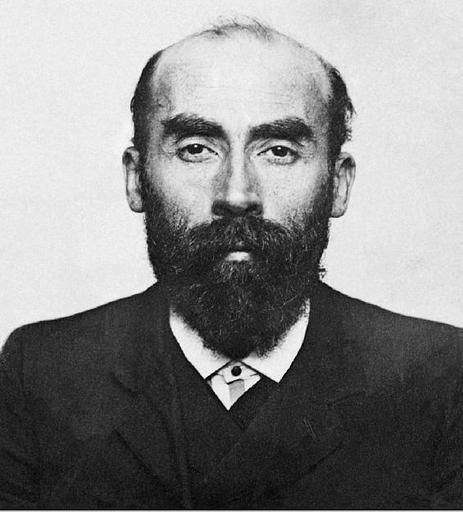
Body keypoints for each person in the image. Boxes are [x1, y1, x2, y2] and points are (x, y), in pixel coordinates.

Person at [1, 18, 462, 509]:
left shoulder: (439, 379)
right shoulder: (43, 372)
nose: (237, 193)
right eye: (196, 149)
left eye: (279, 151)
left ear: (338, 184)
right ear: (137, 179)